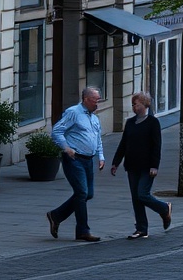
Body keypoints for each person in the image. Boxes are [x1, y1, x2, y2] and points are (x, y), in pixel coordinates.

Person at [110, 92, 173, 239]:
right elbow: (123, 144)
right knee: (136, 198)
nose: (134, 107)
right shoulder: (130, 123)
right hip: (132, 165)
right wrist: (116, 162)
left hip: (147, 167)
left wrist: (154, 166)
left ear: (145, 105)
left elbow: (157, 146)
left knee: (142, 194)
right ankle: (141, 229)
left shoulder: (153, 122)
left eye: (136, 104)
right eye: (132, 105)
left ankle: (164, 208)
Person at [47, 86, 106, 242]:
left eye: (98, 100)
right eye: (95, 100)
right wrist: (66, 148)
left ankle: (56, 215)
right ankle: (83, 230)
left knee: (88, 194)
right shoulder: (73, 112)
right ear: (86, 99)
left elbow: (97, 138)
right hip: (74, 159)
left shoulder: (94, 118)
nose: (97, 103)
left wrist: (101, 156)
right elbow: (57, 131)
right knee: (81, 193)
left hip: (88, 159)